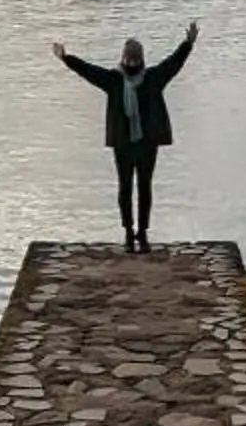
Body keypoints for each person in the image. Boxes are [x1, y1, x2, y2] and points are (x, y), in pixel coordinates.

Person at [51, 20, 199, 254]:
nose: (131, 63)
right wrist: (66, 58)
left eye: (134, 60)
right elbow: (88, 71)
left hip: (147, 143)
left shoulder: (153, 77)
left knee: (145, 188)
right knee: (125, 188)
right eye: (128, 59)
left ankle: (143, 233)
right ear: (123, 58)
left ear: (141, 59)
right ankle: (128, 233)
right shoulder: (113, 80)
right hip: (122, 143)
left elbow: (174, 62)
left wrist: (188, 43)